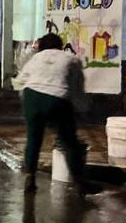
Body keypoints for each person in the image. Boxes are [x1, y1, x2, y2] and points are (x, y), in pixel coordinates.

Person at [17, 33, 98, 194]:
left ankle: (30, 178)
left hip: (31, 96)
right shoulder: (71, 59)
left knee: (33, 139)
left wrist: (27, 104)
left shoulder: (35, 58)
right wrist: (83, 108)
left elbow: (21, 80)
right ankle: (81, 183)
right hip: (56, 98)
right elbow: (77, 89)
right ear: (60, 45)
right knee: (69, 141)